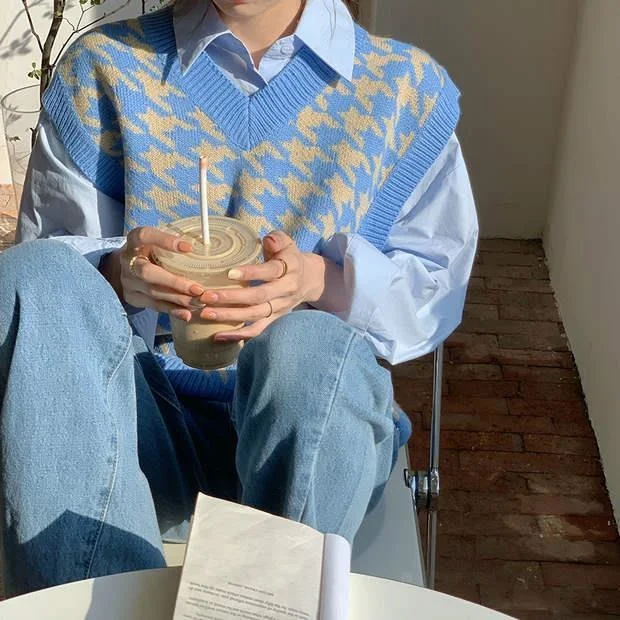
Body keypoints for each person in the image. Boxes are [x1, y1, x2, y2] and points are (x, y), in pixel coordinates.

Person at [0, 0, 477, 596]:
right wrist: (119, 271)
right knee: (35, 275)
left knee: (307, 345)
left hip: (314, 441)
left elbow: (433, 290)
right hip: (137, 432)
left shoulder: (404, 90)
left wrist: (316, 280)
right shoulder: (103, 67)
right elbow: (49, 302)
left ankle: (271, 602)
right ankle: (91, 597)